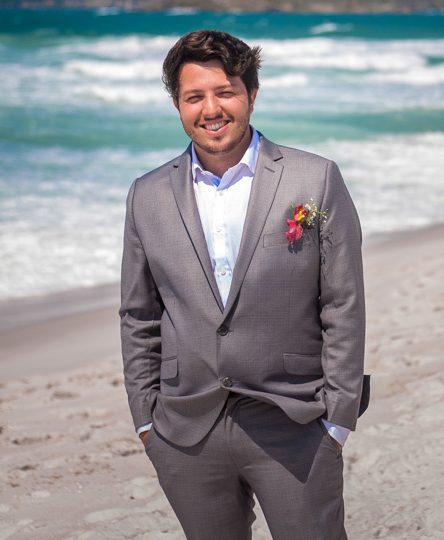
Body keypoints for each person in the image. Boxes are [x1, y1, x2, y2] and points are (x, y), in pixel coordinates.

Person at [120, 29, 366, 540]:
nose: (211, 109)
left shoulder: (315, 178)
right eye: (194, 96)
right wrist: (146, 420)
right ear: (177, 104)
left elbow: (343, 302)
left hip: (295, 420)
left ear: (251, 95)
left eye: (225, 92)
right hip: (185, 430)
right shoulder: (146, 194)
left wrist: (338, 419)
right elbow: (139, 314)